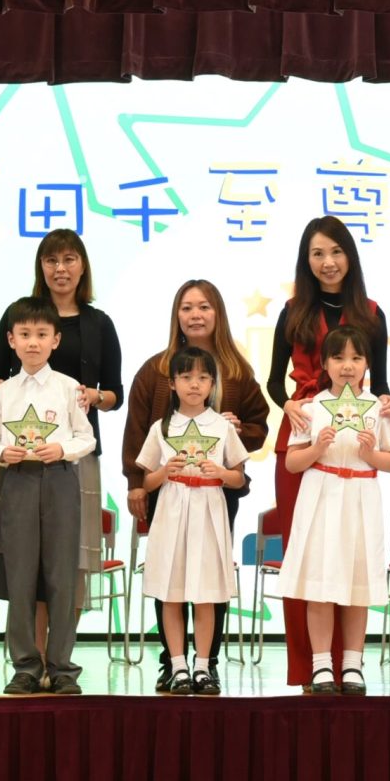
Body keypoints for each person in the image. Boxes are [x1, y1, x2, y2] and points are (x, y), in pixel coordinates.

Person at [0, 230, 123, 676]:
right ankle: (30, 664)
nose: (60, 268)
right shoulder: (18, 313)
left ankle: (58, 663)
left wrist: (90, 398)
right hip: (19, 465)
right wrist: (0, 396)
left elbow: (114, 393)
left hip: (69, 461)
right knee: (22, 567)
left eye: (69, 259)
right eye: (51, 260)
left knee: (67, 565)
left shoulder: (99, 324)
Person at [121, 280, 271, 692]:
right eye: (187, 307)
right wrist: (136, 483)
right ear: (177, 316)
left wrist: (238, 430)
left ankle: (208, 661)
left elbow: (259, 426)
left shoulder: (237, 369)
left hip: (216, 492)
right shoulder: (156, 369)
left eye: (204, 306)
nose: (196, 315)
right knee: (168, 573)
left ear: (217, 313)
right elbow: (137, 429)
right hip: (167, 491)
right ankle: (173, 663)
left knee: (211, 576)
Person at [269, 216, 390, 691]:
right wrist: (287, 404)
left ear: (350, 256)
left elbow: (381, 382)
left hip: (354, 445)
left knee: (351, 554)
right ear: (306, 260)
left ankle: (350, 664)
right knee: (305, 557)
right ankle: (311, 668)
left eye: (336, 251)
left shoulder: (372, 312)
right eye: (318, 253)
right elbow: (272, 380)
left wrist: (387, 403)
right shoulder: (292, 311)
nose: (328, 262)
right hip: (305, 434)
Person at [278, 325, 390, 695]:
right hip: (321, 495)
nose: (347, 366)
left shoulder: (380, 409)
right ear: (324, 363)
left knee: (357, 585)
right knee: (319, 583)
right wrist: (317, 449)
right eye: (338, 357)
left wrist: (370, 455)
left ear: (367, 364)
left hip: (361, 498)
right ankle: (321, 666)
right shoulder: (309, 408)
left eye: (356, 357)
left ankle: (352, 664)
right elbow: (292, 463)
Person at [0, 296, 95, 695]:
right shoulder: (4, 392)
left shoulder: (69, 388)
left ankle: (62, 667)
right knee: (20, 577)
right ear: (11, 340)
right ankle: (26, 667)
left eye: (42, 334)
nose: (33, 342)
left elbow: (86, 437)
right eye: (25, 334)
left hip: (60, 479)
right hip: (18, 481)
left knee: (62, 576)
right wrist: (3, 454)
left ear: (55, 340)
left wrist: (62, 448)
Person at [133, 347, 249, 695]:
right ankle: (178, 666)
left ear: (213, 384)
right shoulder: (161, 427)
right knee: (171, 591)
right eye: (186, 377)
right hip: (172, 509)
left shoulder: (223, 426)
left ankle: (203, 666)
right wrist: (164, 472)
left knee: (206, 593)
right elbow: (147, 481)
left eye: (202, 378)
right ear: (173, 383)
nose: (194, 385)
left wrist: (221, 473)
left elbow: (239, 478)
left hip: (209, 509)